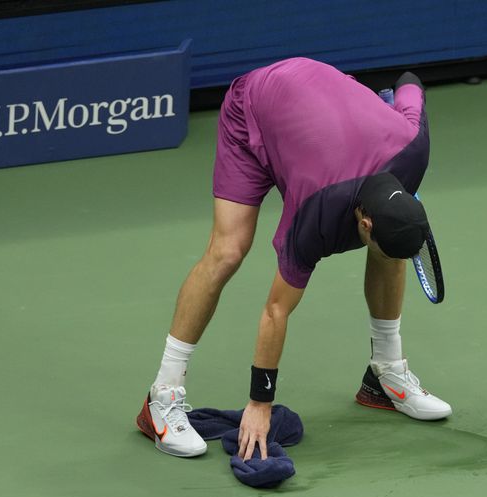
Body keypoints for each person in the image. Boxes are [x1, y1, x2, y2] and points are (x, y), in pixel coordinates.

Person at [135, 57, 452, 461]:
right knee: (228, 251)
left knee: (393, 252)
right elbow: (276, 310)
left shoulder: (414, 146)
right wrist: (259, 405)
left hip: (320, 100)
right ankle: (160, 399)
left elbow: (409, 81)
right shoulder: (314, 213)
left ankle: (384, 376)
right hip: (255, 105)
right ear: (365, 224)